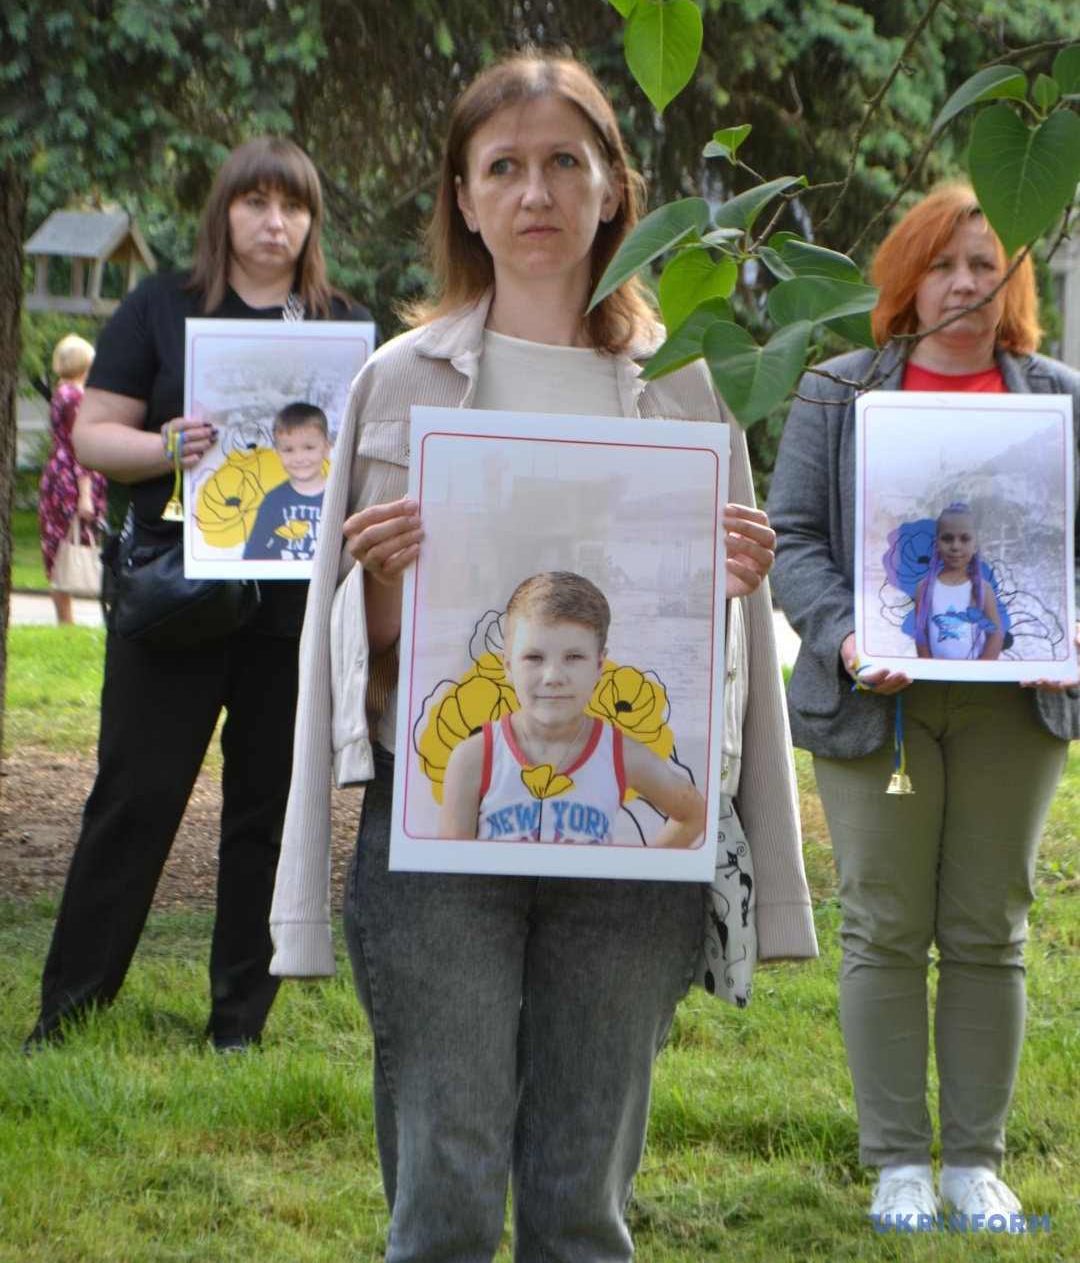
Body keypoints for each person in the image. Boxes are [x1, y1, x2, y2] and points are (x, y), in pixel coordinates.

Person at [271, 52, 817, 1261]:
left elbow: (716, 650)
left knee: (580, 1204)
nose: (536, 193)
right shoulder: (397, 383)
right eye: (504, 167)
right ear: (464, 199)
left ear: (615, 187)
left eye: (566, 161)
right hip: (440, 835)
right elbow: (361, 654)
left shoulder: (685, 387)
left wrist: (727, 578)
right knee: (447, 1197)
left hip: (626, 852)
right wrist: (385, 574)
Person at [769, 182, 1080, 1229]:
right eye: (941, 264)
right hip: (877, 708)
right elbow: (793, 538)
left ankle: (973, 1167)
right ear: (906, 278)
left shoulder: (1060, 399)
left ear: (1012, 281)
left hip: (1015, 708)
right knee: (885, 927)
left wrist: (1071, 628)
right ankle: (900, 1163)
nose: (961, 283)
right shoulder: (835, 391)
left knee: (991, 928)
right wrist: (844, 634)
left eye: (983, 265)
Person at [27, 137, 373, 1053]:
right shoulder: (160, 306)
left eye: (293, 205)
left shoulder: (344, 324)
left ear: (312, 220)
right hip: (173, 596)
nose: (274, 222)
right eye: (255, 202)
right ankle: (69, 1013)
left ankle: (237, 1028)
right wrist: (165, 446)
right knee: (134, 798)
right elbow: (95, 437)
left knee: (266, 811)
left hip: (291, 610)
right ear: (224, 212)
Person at [438, 571, 707, 848]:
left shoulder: (621, 754)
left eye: (574, 657)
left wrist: (635, 872)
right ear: (508, 666)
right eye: (534, 657)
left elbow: (694, 814)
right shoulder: (473, 758)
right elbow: (449, 868)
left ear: (599, 666)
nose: (553, 676)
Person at [37, 333, 108, 625]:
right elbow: (80, 446)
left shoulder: (61, 393)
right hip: (72, 481)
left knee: (59, 550)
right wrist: (85, 495)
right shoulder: (76, 397)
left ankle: (64, 620)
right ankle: (67, 622)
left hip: (56, 476)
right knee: (70, 547)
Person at [242, 402, 332, 563]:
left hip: (329, 577)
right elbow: (253, 552)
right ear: (278, 452)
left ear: (326, 448)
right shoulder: (273, 500)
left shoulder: (340, 497)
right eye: (288, 450)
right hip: (280, 578)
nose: (299, 458)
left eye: (309, 448)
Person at [913, 503, 1003, 661]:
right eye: (947, 538)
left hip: (974, 674)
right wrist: (929, 668)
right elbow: (921, 633)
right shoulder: (925, 588)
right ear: (937, 544)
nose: (955, 546)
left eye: (964, 539)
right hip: (937, 673)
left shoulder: (983, 590)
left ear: (975, 545)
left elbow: (995, 636)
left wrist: (980, 669)